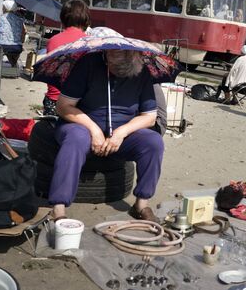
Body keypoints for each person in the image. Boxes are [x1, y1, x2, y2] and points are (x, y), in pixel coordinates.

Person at [48, 49, 164, 223]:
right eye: (117, 72)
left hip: (121, 135)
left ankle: (141, 204)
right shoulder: (88, 64)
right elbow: (64, 106)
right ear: (108, 58)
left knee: (153, 142)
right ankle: (58, 207)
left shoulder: (143, 71)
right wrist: (93, 130)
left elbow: (149, 117)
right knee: (76, 138)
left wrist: (121, 132)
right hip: (82, 125)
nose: (121, 76)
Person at [43, 0, 90, 116]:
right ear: (85, 18)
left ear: (63, 17)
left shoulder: (53, 40)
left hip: (53, 100)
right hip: (80, 103)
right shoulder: (90, 42)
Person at [0, 0, 26, 72]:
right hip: (15, 47)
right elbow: (22, 37)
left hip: (0, 45)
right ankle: (13, 66)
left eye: (3, 7)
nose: (2, 9)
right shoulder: (20, 20)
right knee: (13, 49)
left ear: (5, 8)